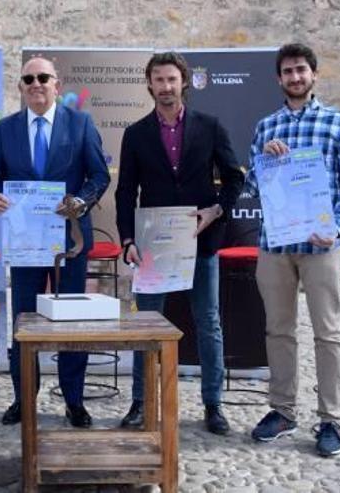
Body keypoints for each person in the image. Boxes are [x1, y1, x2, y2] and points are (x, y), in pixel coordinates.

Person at [115, 52, 244, 434]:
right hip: (152, 248)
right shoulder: (135, 133)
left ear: (183, 82)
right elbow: (125, 193)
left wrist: (215, 212)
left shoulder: (210, 126)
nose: (166, 87)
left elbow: (235, 180)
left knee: (208, 323)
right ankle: (140, 403)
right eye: (159, 80)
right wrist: (126, 239)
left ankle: (213, 405)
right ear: (149, 84)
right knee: (145, 326)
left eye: (172, 80)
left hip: (200, 243)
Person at [247, 43, 340, 457]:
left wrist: (334, 225)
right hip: (275, 244)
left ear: (314, 74)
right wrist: (264, 160)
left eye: (301, 70)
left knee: (328, 333)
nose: (295, 77)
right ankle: (282, 411)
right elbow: (250, 186)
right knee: (278, 330)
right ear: (279, 79)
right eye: (288, 72)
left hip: (322, 245)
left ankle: (331, 419)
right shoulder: (266, 128)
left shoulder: (338, 123)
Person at [0, 57, 110, 428]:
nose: (36, 83)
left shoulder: (80, 122)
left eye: (43, 78)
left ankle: (74, 401)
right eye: (28, 79)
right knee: (24, 321)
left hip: (69, 238)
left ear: (57, 84)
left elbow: (99, 176)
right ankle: (24, 400)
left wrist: (81, 201)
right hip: (26, 243)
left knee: (71, 322)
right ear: (21, 87)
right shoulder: (6, 128)